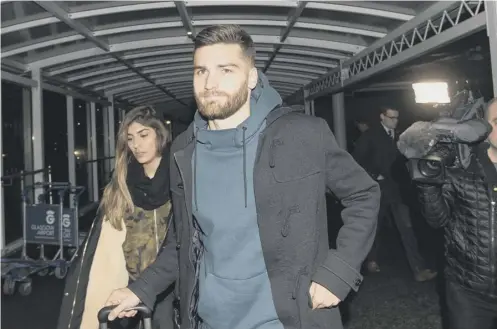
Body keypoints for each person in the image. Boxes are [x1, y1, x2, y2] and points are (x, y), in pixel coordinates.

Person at [105, 24, 380, 329]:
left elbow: (363, 195)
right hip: (208, 320)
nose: (210, 83)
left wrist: (338, 271)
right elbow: (181, 241)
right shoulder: (185, 150)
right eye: (201, 71)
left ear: (251, 77)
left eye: (226, 70)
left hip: (287, 319)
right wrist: (141, 289)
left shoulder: (301, 134)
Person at [56, 106, 175, 329]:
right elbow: (105, 248)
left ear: (160, 135)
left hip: (171, 285)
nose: (136, 145)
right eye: (130, 139)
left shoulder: (180, 179)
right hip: (128, 283)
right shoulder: (122, 184)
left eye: (143, 135)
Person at [417, 98, 497, 329]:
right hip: (468, 292)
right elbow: (436, 220)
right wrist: (428, 185)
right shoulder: (461, 168)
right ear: (484, 128)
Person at [353, 106, 437, 280]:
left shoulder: (400, 136)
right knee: (374, 227)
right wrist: (374, 176)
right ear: (382, 117)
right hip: (378, 190)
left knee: (406, 228)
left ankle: (418, 269)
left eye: (397, 118)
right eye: (391, 118)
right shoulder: (370, 136)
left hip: (398, 191)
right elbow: (356, 161)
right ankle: (370, 260)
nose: (395, 121)